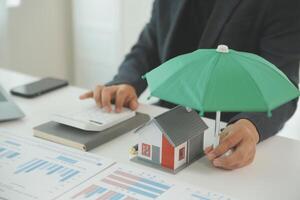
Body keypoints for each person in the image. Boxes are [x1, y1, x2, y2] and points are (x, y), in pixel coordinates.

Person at [80, 0, 300, 170]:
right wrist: (125, 82)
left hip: (223, 134)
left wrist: (251, 126)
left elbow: (283, 84)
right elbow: (149, 44)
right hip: (166, 120)